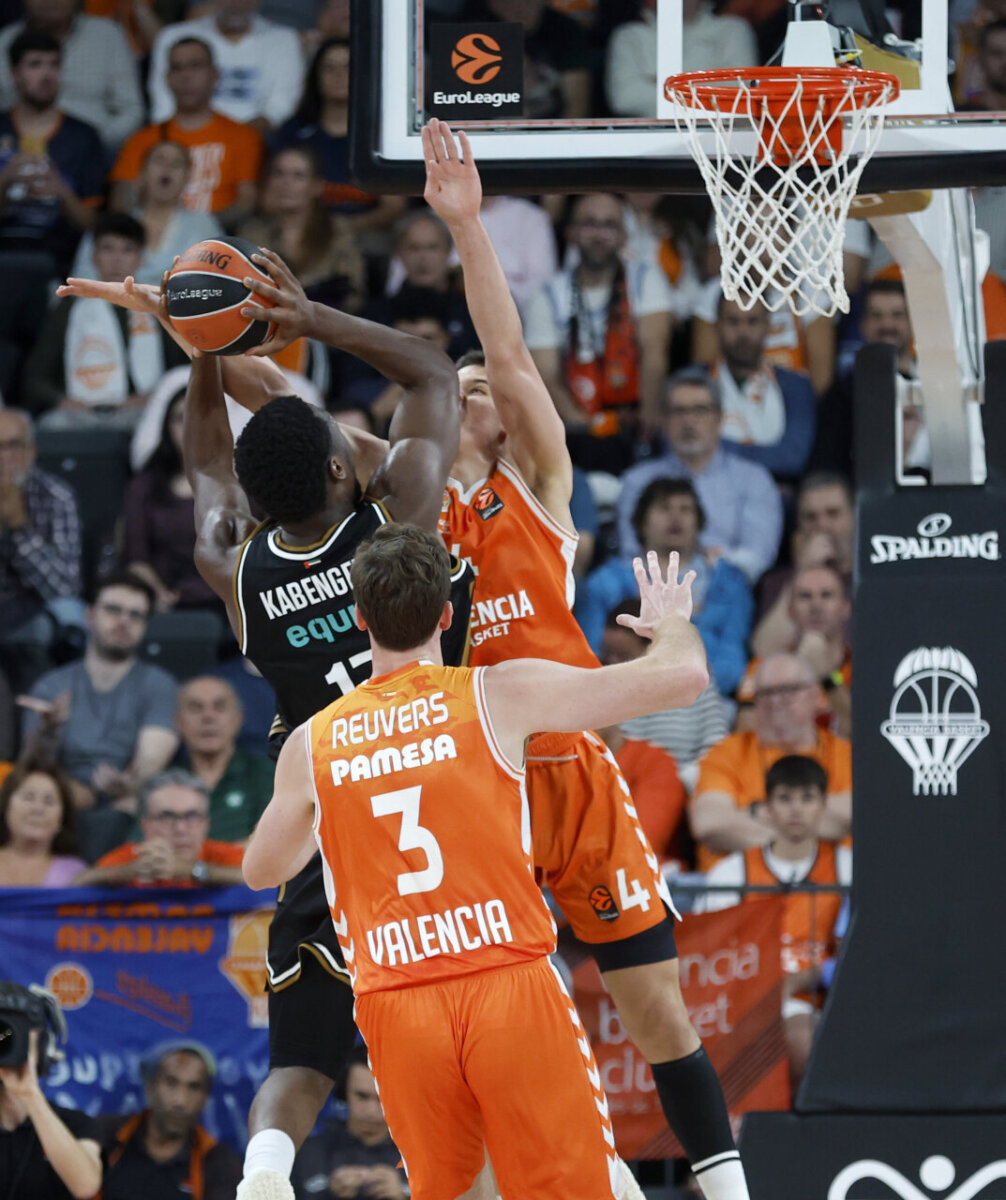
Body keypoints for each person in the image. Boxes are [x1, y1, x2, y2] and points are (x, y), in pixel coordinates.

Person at [427, 119, 750, 1200]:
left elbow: (513, 353)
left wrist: (466, 228)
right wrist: (227, 349)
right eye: (457, 386)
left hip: (571, 768)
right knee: (496, 1022)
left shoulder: (539, 484)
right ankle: (578, 1174)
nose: (474, 391)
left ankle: (725, 1187)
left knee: (657, 1012)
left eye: (481, 387)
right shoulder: (413, 515)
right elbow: (308, 442)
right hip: (482, 781)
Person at [244, 523, 710, 1200]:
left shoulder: (314, 742)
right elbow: (684, 677)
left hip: (397, 1002)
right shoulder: (497, 693)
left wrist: (342, 806)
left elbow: (262, 870)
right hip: (504, 982)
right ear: (446, 613)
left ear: (360, 619)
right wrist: (670, 623)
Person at [694, 755, 851, 1087]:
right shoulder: (730, 873)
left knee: (804, 1040)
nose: (796, 810)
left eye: (807, 798)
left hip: (820, 1002)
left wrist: (805, 978)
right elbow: (707, 955)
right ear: (767, 807)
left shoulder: (848, 868)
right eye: (784, 798)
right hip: (744, 1002)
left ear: (824, 805)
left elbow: (861, 953)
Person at [20, 570, 180, 862]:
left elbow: (151, 761)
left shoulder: (160, 685)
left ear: (145, 626)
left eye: (135, 615)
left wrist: (130, 783)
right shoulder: (51, 685)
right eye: (113, 610)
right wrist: (48, 732)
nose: (124, 621)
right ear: (90, 616)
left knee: (133, 804)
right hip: (61, 798)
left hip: (129, 802)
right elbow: (31, 766)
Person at [524, 192, 675, 471]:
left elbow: (655, 355)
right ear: (571, 233)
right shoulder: (547, 296)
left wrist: (648, 416)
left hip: (635, 422)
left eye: (609, 225)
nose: (599, 234)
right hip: (574, 430)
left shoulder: (645, 279)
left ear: (624, 236)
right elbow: (546, 377)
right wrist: (589, 429)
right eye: (590, 223)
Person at [577, 477, 752, 695]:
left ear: (699, 523)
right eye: (664, 508)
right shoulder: (604, 582)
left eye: (685, 509)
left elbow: (733, 656)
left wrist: (692, 686)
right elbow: (591, 654)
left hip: (707, 696)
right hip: (625, 696)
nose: (675, 517)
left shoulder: (730, 582)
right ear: (642, 523)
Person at [616, 368, 784, 583]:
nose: (688, 421)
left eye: (700, 410)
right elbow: (630, 554)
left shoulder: (754, 480)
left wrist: (703, 569)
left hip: (727, 591)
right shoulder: (637, 481)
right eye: (679, 411)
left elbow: (758, 557)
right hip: (651, 591)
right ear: (664, 420)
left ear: (720, 418)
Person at [22, 212, 188, 426]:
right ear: (93, 256)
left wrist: (155, 397)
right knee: (52, 425)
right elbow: (35, 377)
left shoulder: (159, 307)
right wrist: (61, 401)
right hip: (80, 413)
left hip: (144, 411)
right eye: (108, 248)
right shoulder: (68, 308)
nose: (117, 259)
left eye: (127, 250)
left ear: (140, 258)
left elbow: (184, 371)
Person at [690, 653, 852, 869]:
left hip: (832, 882)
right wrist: (801, 842)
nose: (775, 701)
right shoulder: (727, 752)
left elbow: (858, 815)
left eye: (789, 690)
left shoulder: (845, 754)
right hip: (741, 882)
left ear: (815, 696)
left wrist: (755, 812)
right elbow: (710, 824)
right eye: (765, 693)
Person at [111, 37, 264, 225]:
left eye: (195, 66)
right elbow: (121, 204)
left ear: (215, 75)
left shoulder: (244, 137)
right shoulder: (140, 141)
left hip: (220, 237)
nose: (186, 76)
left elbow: (246, 203)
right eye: (177, 68)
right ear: (168, 79)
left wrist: (199, 231)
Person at [269, 36, 406, 245]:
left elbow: (394, 207)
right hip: (296, 232)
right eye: (329, 68)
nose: (339, 75)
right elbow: (268, 199)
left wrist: (343, 230)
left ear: (363, 74)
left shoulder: (382, 135)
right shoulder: (294, 132)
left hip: (362, 235)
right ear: (315, 76)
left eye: (347, 67)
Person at [0, 30, 103, 293]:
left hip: (61, 266)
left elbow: (93, 224)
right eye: (35, 65)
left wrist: (61, 190)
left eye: (54, 64)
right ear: (14, 74)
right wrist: (5, 180)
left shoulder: (83, 137)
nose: (47, 75)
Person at [601, 601, 728, 791]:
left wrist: (686, 780)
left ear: (654, 647)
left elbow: (715, 743)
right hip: (621, 785)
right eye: (607, 654)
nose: (612, 663)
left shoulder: (695, 679)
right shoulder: (604, 683)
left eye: (623, 655)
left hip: (685, 786)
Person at [0, 407, 83, 691]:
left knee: (46, 627)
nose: (4, 457)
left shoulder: (55, 496)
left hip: (35, 607)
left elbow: (64, 588)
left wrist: (19, 527)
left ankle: (39, 713)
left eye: (13, 445)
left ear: (32, 451)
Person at [101, 1040, 242, 1200]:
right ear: (150, 1088)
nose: (180, 1101)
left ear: (205, 1099)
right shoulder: (105, 1136)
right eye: (171, 1083)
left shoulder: (221, 1165)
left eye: (194, 1087)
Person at [121, 389, 222, 612]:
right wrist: (159, 594)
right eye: (180, 418)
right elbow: (136, 559)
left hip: (229, 603)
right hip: (163, 604)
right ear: (168, 427)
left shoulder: (239, 485)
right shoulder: (145, 487)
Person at [0, 983, 102, 1199]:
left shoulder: (74, 1123)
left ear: (43, 1049)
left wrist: (29, 1093)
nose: (3, 1042)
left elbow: (85, 1186)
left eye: (12, 1035)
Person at [0, 0, 142, 150]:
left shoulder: (107, 34)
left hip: (97, 148)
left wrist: (89, 141)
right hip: (14, 147)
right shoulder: (5, 40)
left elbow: (132, 110)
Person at [75, 140, 222, 285]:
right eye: (159, 160)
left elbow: (219, 278)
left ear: (187, 178)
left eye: (177, 164)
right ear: (142, 173)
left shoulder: (203, 224)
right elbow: (83, 275)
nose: (167, 168)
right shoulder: (113, 224)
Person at [147, 0, 305, 133]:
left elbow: (279, 108)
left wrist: (232, 140)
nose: (236, 3)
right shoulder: (173, 37)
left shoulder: (284, 40)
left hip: (257, 139)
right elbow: (163, 107)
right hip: (184, 138)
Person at [237, 146, 365, 303]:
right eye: (278, 173)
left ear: (317, 186)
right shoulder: (252, 231)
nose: (286, 183)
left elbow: (353, 294)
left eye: (298, 175)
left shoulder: (339, 230)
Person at [73, 769, 245, 886]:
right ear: (145, 826)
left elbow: (258, 881)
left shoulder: (219, 854)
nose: (180, 828)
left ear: (205, 824)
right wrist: (127, 872)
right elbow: (77, 885)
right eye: (167, 817)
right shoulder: (133, 857)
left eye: (191, 816)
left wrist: (192, 870)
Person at [710, 295, 816, 483]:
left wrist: (712, 449)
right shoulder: (692, 383)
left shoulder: (796, 385)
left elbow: (792, 458)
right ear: (717, 326)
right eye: (733, 321)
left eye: (752, 321)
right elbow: (676, 448)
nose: (743, 332)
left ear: (768, 326)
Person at [737, 565, 852, 737]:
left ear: (845, 608)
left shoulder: (864, 667)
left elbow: (867, 734)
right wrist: (793, 675)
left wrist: (829, 677)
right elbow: (746, 733)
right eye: (805, 596)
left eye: (826, 595)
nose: (816, 606)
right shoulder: (765, 666)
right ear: (790, 610)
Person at [751, 471, 854, 658]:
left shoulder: (872, 579)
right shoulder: (777, 582)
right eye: (810, 517)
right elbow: (764, 650)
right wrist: (802, 571)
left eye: (833, 513)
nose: (822, 525)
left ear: (853, 516)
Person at [606, 0, 757, 117]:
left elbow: (740, 91)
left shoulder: (732, 30)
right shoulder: (630, 37)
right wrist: (707, 88)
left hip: (723, 138)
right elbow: (625, 99)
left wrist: (659, 84)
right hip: (650, 139)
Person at [292, 1045, 405, 1200]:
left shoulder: (424, 1162)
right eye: (362, 1096)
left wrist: (404, 1196)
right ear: (344, 1093)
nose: (371, 1112)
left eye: (383, 1098)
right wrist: (329, 1195)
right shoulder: (306, 1154)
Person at [174, 676, 274, 843]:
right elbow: (140, 847)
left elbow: (274, 844)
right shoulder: (164, 784)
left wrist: (194, 859)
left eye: (219, 708)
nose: (208, 717)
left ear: (239, 719)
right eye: (196, 708)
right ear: (178, 722)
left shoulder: (268, 775)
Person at [371, 210, 478, 360]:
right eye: (414, 248)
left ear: (448, 252)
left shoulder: (473, 314)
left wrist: (448, 346)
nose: (423, 258)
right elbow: (357, 371)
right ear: (399, 253)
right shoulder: (377, 314)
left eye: (432, 247)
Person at [0, 759, 86, 886]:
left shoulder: (76, 873)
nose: (38, 809)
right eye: (28, 797)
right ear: (7, 807)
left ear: (62, 819)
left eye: (49, 801)